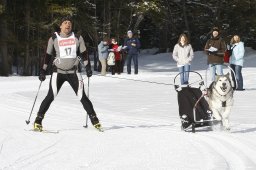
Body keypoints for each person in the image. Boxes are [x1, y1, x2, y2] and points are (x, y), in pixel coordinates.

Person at [34, 17, 102, 131]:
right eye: (65, 23)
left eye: (70, 23)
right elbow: (47, 56)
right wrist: (43, 70)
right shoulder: (54, 38)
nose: (68, 25)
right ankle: (38, 121)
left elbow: (84, 54)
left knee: (82, 96)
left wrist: (88, 67)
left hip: (74, 72)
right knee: (51, 96)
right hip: (58, 72)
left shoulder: (77, 37)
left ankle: (95, 120)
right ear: (60, 26)